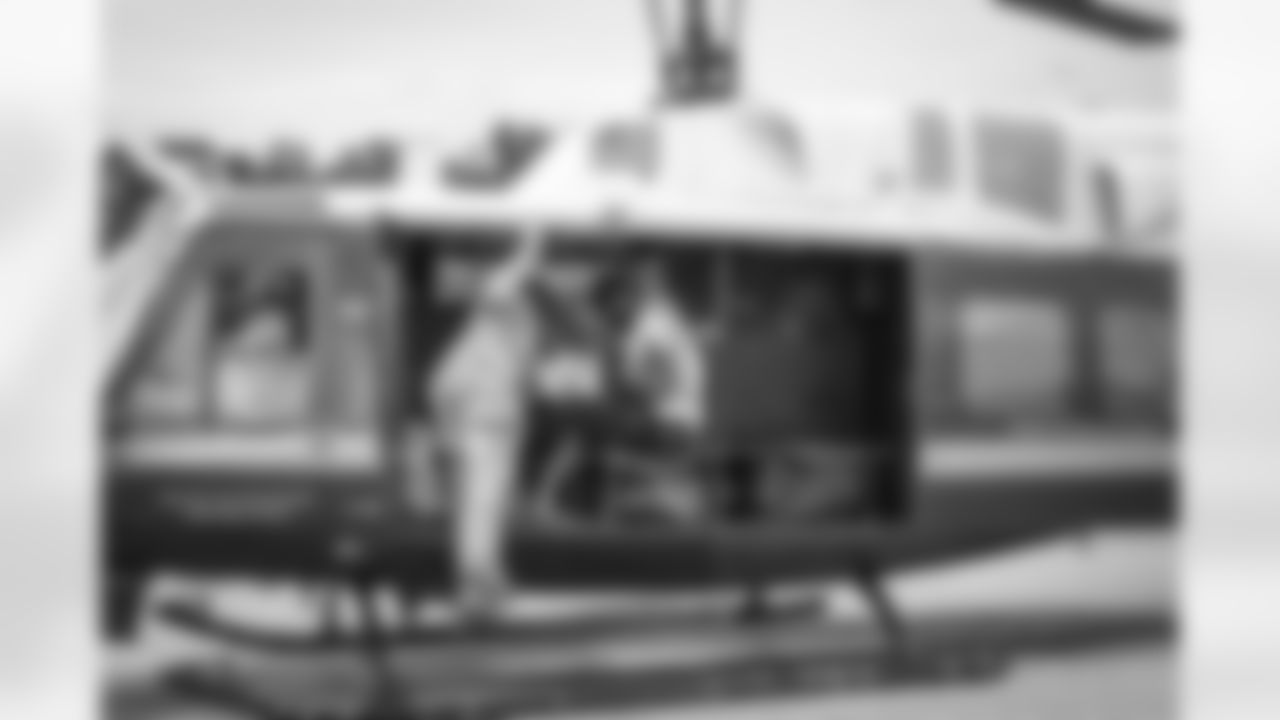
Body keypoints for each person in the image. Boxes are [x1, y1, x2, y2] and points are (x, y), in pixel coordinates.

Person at [427, 225, 549, 627]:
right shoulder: (494, 312)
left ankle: (481, 588)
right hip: (489, 422)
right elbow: (507, 281)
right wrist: (533, 240)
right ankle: (479, 589)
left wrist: (447, 432)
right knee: (484, 506)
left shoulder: (487, 328)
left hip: (494, 421)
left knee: (486, 508)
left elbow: (442, 385)